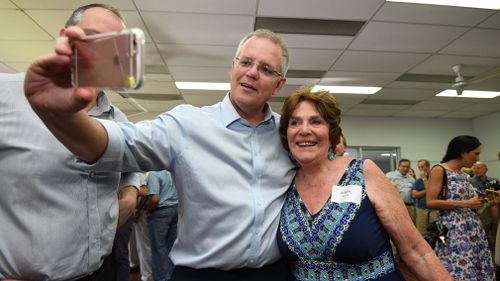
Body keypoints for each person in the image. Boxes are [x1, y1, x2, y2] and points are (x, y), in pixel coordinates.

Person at [24, 27, 296, 281]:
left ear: (279, 84)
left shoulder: (288, 135)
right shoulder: (188, 124)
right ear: (233, 66)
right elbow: (117, 144)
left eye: (266, 69)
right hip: (202, 274)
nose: (252, 73)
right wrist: (61, 114)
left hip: (274, 273)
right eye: (246, 62)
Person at [0, 5, 139, 281]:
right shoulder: (6, 96)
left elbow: (130, 167)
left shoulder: (119, 119)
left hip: (98, 272)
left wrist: (131, 191)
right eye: (92, 37)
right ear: (65, 37)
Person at [276, 86, 450, 280]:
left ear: (331, 132)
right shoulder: (285, 183)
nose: (304, 130)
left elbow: (416, 250)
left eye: (316, 122)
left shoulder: (363, 172)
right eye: (295, 122)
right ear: (286, 133)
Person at [427, 135, 495, 280]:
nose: (477, 158)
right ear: (463, 152)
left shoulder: (465, 175)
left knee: (477, 265)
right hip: (452, 230)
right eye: (475, 153)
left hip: (473, 229)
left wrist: (484, 200)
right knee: (459, 267)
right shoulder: (439, 170)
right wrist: (466, 203)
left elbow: (469, 201)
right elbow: (431, 202)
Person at [146, 170, 178, 281]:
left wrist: (148, 211)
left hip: (160, 212)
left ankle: (160, 279)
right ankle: (172, 277)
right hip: (175, 209)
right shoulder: (171, 173)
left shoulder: (154, 175)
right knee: (172, 247)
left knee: (158, 249)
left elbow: (154, 199)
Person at [472, 161, 500, 254]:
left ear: (486, 169)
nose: (476, 170)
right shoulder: (470, 182)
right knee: (483, 239)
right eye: (474, 168)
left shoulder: (495, 181)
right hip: (481, 214)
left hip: (495, 211)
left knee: (496, 238)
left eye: (479, 168)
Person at [411, 159, 437, 235]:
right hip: (421, 210)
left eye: (422, 167)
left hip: (434, 210)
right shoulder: (418, 181)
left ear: (428, 167)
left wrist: (424, 179)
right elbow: (414, 195)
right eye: (419, 167)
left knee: (435, 232)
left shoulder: (435, 178)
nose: (421, 169)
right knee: (421, 233)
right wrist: (426, 191)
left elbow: (431, 192)